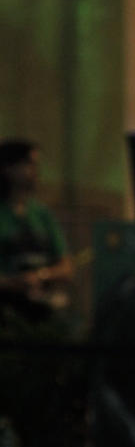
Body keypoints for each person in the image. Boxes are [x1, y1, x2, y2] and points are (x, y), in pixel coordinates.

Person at [0, 139, 73, 326]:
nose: (35, 172)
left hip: (43, 305)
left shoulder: (42, 215)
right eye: (29, 164)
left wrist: (41, 276)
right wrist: (14, 284)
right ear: (8, 168)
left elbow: (66, 267)